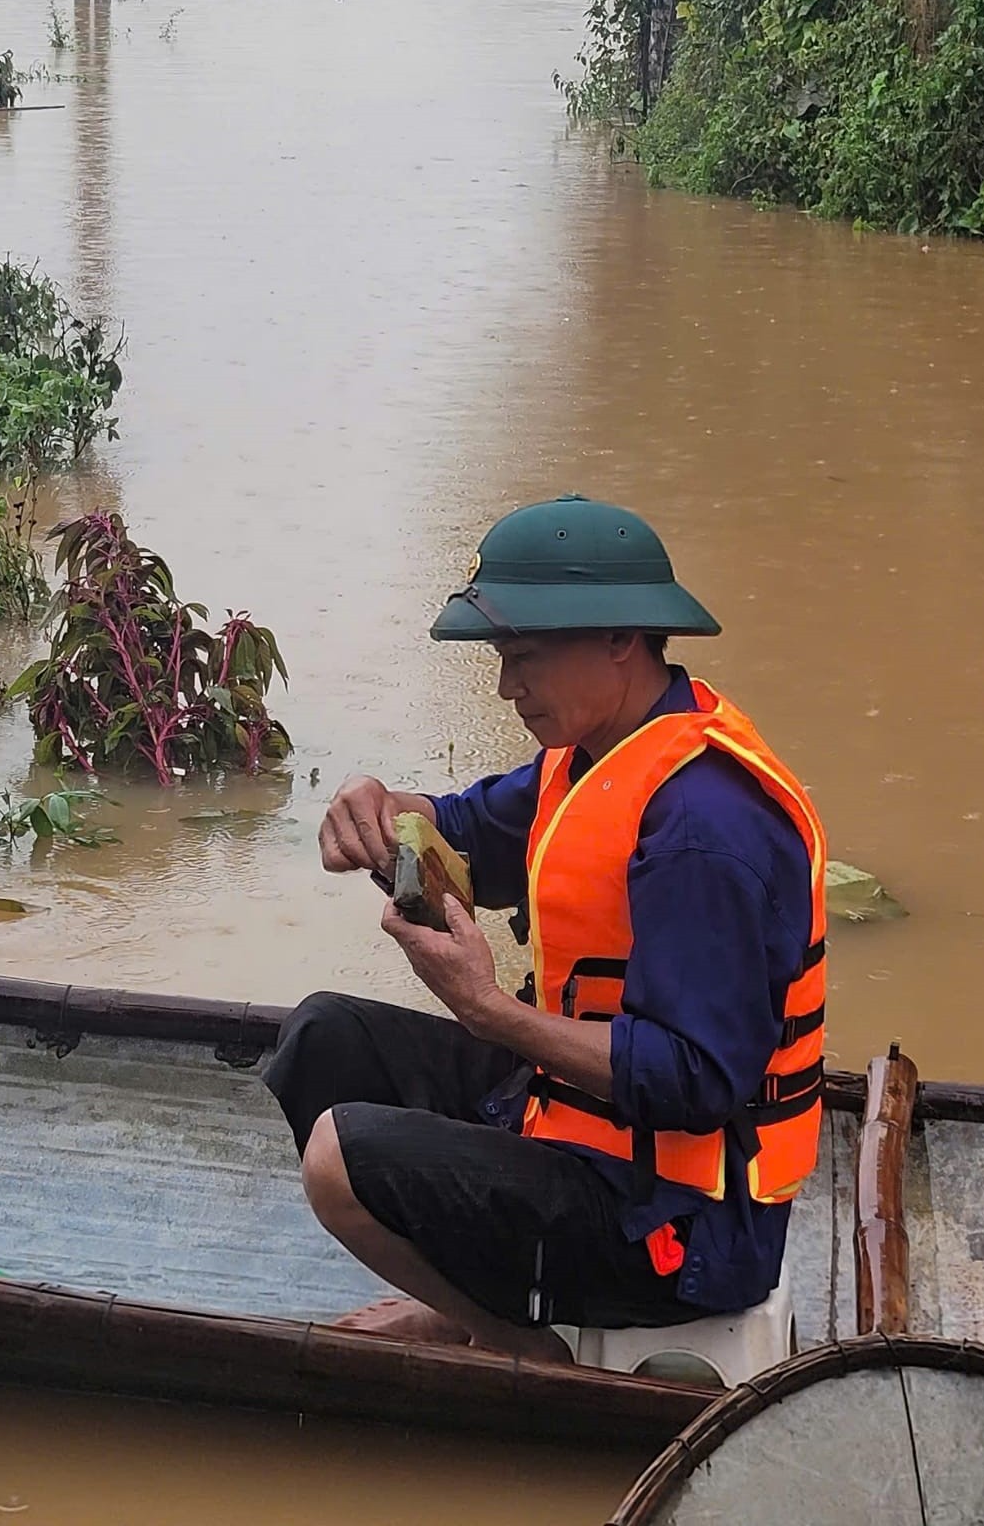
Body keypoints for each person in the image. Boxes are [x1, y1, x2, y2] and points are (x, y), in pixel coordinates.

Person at [262, 494, 829, 1360]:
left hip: (683, 1222)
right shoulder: (596, 754)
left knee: (340, 1159)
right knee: (324, 1038)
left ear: (619, 639)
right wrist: (381, 811)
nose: (506, 686)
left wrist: (487, 1009)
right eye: (502, 657)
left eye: (524, 658)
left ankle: (511, 1342)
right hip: (575, 1122)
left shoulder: (702, 830)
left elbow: (696, 1080)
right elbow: (471, 832)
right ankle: (463, 1300)